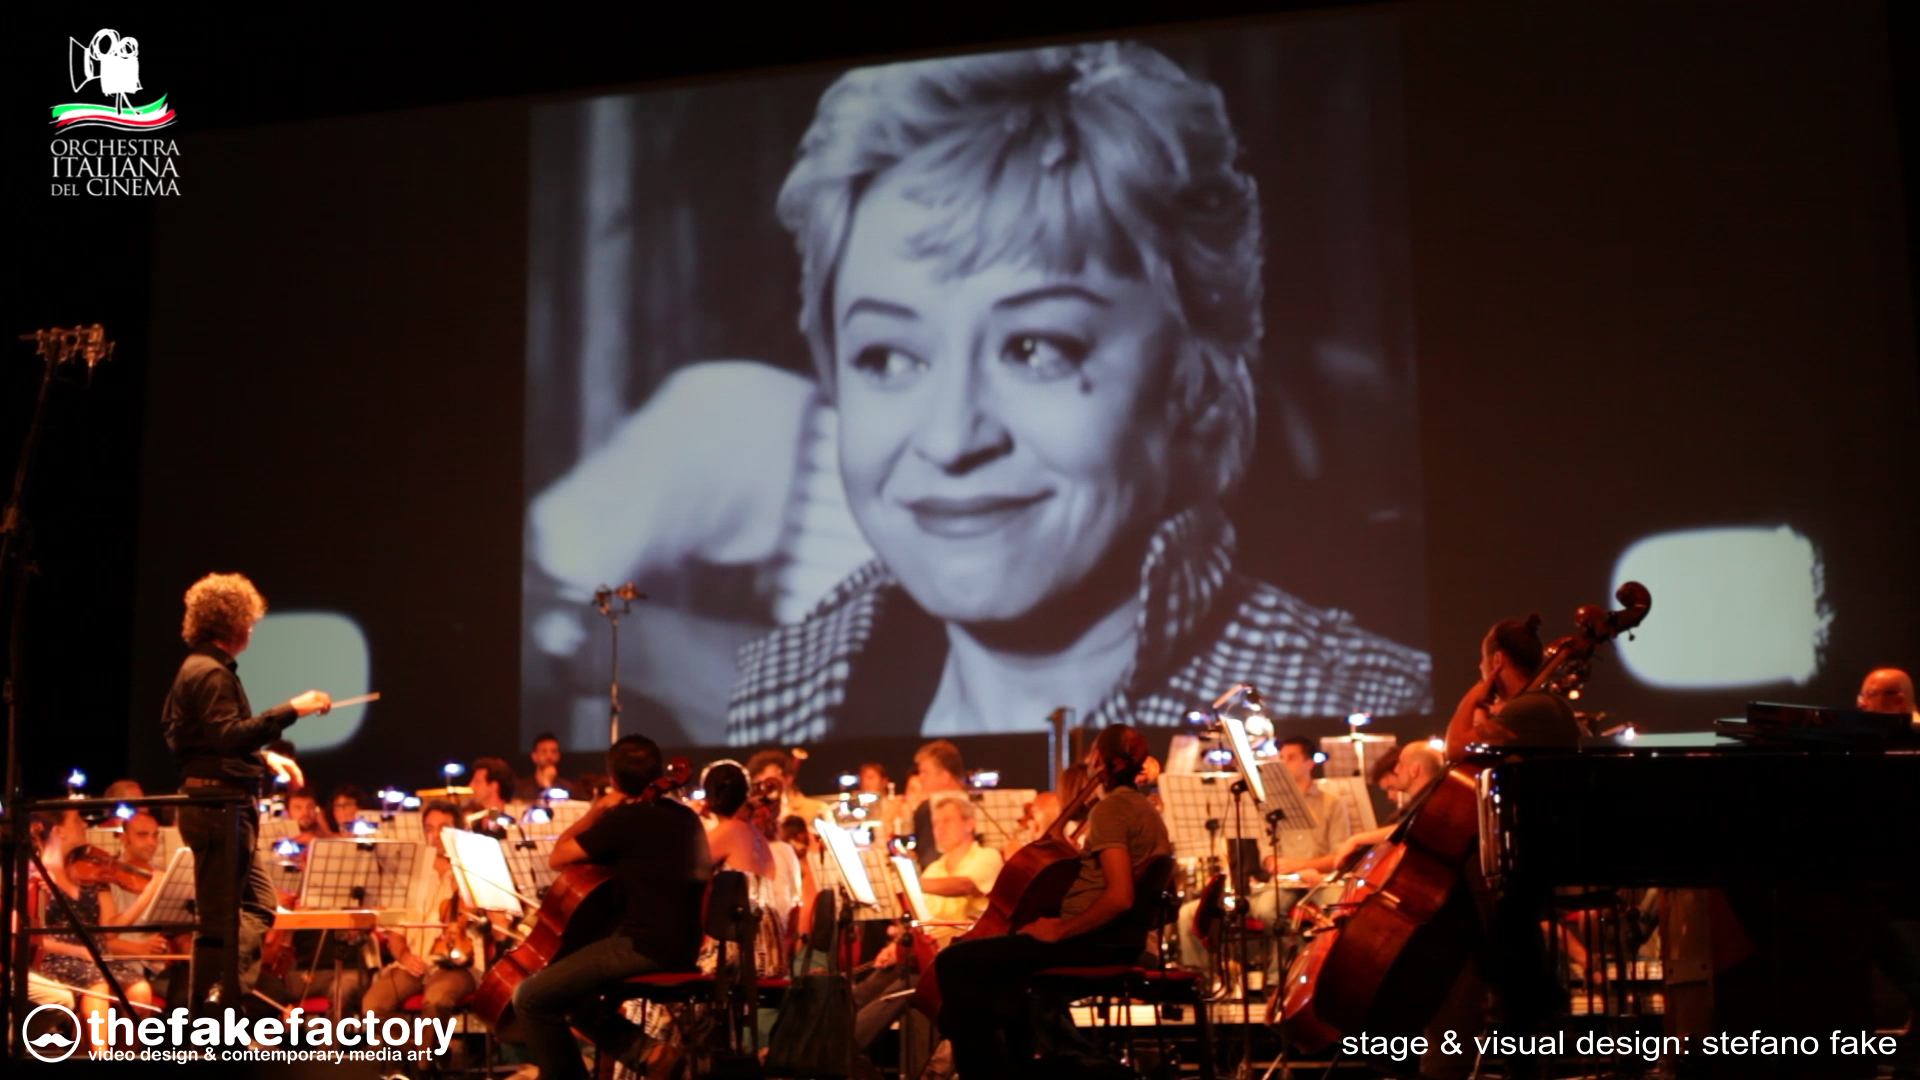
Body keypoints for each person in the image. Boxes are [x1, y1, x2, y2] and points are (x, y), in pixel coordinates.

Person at [722, 43, 1429, 749]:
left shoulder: (1373, 708)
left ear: (1198, 381)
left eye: (1036, 348)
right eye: (888, 357)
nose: (950, 439)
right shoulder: (776, 693)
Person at [934, 723, 1170, 1076]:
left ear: (1099, 761)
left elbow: (1120, 897)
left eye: (1092, 757)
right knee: (1000, 984)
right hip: (1111, 940)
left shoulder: (1110, 810)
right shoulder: (1146, 811)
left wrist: (1060, 929)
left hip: (1093, 942)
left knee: (954, 961)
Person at [162, 572, 331, 1009]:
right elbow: (227, 737)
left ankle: (224, 995)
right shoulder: (209, 673)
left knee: (256, 906)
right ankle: (215, 1009)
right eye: (251, 622)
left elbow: (201, 742)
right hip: (218, 809)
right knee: (220, 923)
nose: (252, 629)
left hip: (218, 804)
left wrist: (263, 759)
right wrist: (292, 710)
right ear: (235, 622)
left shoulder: (200, 669)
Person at [512, 735, 710, 1080]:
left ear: (615, 780)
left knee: (529, 997)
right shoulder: (686, 818)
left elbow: (559, 856)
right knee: (572, 997)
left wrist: (600, 808)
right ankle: (650, 1054)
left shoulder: (625, 819)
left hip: (642, 946)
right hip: (685, 948)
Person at [1176, 735, 1349, 981]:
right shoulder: (1270, 806)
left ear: (1309, 763)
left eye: (1291, 758)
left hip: (1321, 880)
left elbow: (1339, 856)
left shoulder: (1332, 803)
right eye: (1282, 757)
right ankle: (1283, 974)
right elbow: (1268, 858)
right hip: (1285, 881)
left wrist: (1303, 867)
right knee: (1267, 909)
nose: (1284, 763)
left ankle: (1326, 974)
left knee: (1341, 908)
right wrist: (1291, 869)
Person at [30, 809, 162, 1048]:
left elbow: (110, 930)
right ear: (59, 831)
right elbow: (34, 936)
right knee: (98, 985)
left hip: (97, 957)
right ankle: (99, 1057)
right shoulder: (35, 875)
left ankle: (127, 1057)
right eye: (76, 820)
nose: (84, 824)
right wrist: (79, 952)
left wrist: (149, 893)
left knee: (140, 991)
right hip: (59, 957)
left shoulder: (92, 870)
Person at [364, 803, 480, 1023]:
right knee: (372, 1007)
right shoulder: (409, 874)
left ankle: (429, 1046)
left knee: (436, 1000)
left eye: (443, 828)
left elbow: (483, 918)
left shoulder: (473, 872)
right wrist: (405, 956)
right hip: (413, 964)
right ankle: (418, 1045)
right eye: (429, 828)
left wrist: (466, 887)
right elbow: (395, 934)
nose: (435, 835)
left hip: (457, 965)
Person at [911, 740, 967, 869]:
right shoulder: (924, 810)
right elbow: (925, 858)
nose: (920, 779)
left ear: (945, 777)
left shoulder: (978, 808)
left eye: (925, 773)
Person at [516, 731, 579, 801]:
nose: (549, 756)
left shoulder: (566, 787)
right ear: (534, 756)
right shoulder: (521, 788)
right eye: (544, 751)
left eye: (553, 751)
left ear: (558, 756)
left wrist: (547, 784)